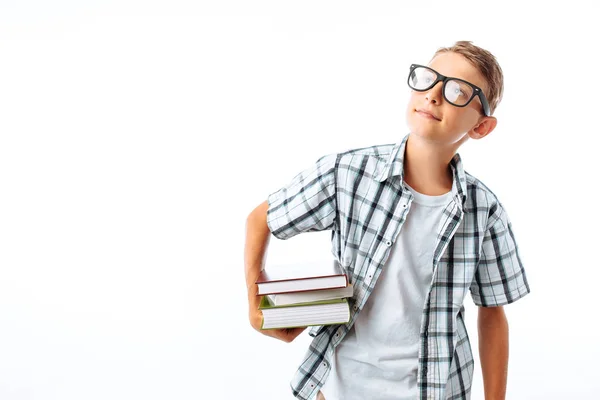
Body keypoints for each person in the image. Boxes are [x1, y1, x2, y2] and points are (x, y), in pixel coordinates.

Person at [244, 40, 531, 400]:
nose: (434, 95)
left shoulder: (483, 210)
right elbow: (261, 219)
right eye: (429, 79)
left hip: (436, 389)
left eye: (458, 90)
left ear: (482, 127)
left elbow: (492, 313)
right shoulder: (346, 173)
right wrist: (255, 304)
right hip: (339, 386)